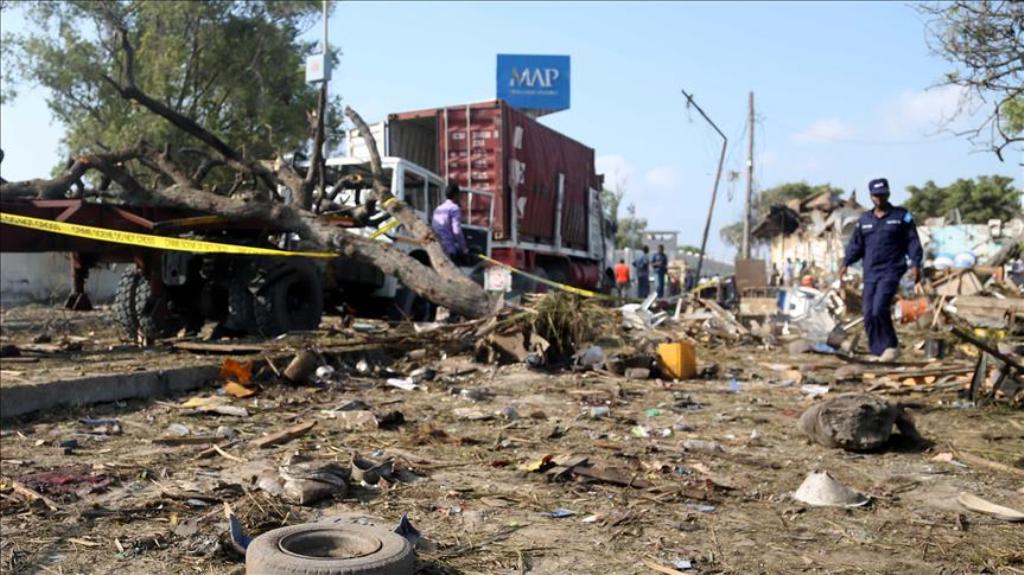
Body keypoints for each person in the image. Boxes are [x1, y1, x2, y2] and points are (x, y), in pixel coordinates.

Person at [840, 178, 923, 361]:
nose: (880, 198)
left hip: (891, 270)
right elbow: (856, 245)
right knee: (868, 312)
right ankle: (878, 351)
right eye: (876, 195)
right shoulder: (864, 220)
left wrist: (916, 264)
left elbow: (912, 241)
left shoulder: (901, 216)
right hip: (870, 271)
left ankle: (891, 345)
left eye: (883, 194)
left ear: (888, 194)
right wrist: (846, 262)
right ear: (871, 197)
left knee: (879, 308)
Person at [432, 182, 468, 264]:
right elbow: (457, 231)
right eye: (459, 194)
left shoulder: (438, 209)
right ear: (456, 195)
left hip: (437, 248)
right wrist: (464, 248)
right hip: (449, 250)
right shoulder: (454, 208)